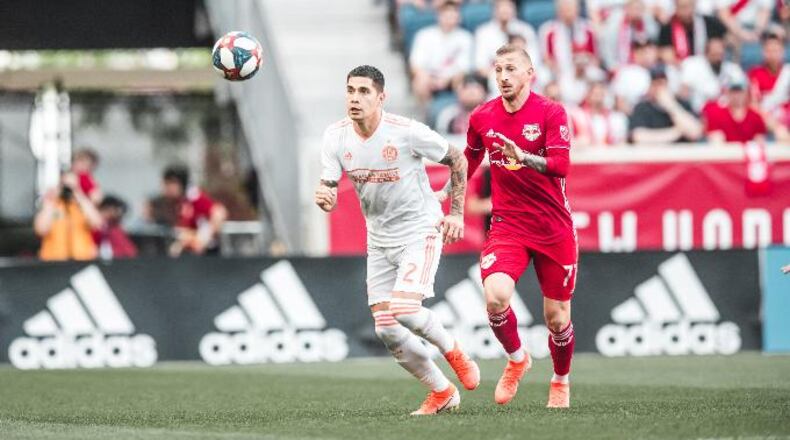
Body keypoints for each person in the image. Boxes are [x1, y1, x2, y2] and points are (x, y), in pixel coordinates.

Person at [315, 65, 479, 415]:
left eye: (363, 92)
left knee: (404, 309)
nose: (355, 98)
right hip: (378, 239)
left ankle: (453, 350)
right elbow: (327, 185)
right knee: (386, 329)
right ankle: (442, 392)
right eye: (350, 90)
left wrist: (456, 213)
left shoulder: (406, 132)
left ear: (381, 97)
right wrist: (325, 195)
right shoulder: (335, 136)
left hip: (420, 229)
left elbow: (458, 159)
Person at [457, 43, 579, 408]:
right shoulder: (482, 117)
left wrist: (523, 157)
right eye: (498, 70)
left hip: (553, 226)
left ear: (530, 74)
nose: (503, 77)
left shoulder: (551, 112)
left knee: (556, 319)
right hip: (508, 225)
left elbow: (561, 166)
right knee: (495, 296)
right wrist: (446, 191)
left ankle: (560, 379)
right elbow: (469, 160)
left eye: (511, 69)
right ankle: (517, 359)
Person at [409, 0, 473, 104]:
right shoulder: (424, 35)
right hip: (430, 76)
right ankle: (428, 113)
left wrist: (446, 80)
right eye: (446, 15)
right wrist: (429, 79)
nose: (449, 19)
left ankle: (459, 114)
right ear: (438, 16)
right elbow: (415, 65)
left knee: (463, 79)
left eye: (453, 15)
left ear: (459, 17)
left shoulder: (465, 37)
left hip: (453, 78)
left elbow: (464, 67)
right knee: (419, 81)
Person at [157, 165, 228, 257]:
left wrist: (202, 239)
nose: (167, 188)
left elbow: (219, 212)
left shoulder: (193, 197)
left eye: (171, 183)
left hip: (206, 256)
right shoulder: (168, 203)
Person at [34, 172, 103, 261]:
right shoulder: (52, 205)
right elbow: (41, 230)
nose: (68, 189)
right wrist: (50, 200)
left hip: (83, 261)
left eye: (72, 186)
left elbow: (97, 223)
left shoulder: (83, 207)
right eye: (65, 185)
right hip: (53, 261)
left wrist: (79, 195)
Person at [629, 65, 703, 143]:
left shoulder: (683, 104)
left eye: (662, 83)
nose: (659, 88)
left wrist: (671, 106)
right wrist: (677, 132)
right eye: (655, 84)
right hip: (654, 153)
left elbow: (695, 132)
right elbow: (638, 137)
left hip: (682, 153)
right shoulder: (642, 108)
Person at [680, 37, 745, 111]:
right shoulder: (693, 65)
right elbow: (684, 93)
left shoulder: (732, 69)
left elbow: (743, 90)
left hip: (725, 112)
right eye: (715, 55)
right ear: (706, 54)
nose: (718, 59)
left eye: (720, 55)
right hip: (699, 112)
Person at [657, 0, 727, 65]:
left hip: (706, 67)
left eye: (689, 6)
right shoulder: (667, 28)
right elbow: (664, 52)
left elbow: (724, 39)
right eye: (682, 7)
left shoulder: (709, 23)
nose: (686, 11)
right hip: (680, 68)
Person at [701, 75, 768, 143]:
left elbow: (760, 142)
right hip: (726, 152)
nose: (737, 95)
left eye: (740, 91)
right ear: (727, 93)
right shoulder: (717, 114)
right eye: (733, 91)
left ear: (747, 93)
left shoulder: (755, 117)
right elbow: (715, 142)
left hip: (746, 152)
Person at [570, 82, 630, 146]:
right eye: (596, 94)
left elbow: (618, 139)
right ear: (588, 96)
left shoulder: (613, 117)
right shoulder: (579, 115)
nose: (598, 98)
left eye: (601, 95)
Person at [94, 195, 138, 260]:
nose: (112, 213)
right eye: (108, 210)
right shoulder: (98, 229)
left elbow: (130, 252)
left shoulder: (116, 229)